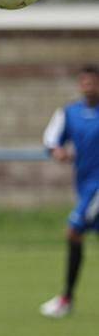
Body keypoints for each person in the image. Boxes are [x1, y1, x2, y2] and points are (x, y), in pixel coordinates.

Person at [40, 65, 99, 318]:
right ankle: (67, 298)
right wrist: (58, 152)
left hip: (97, 188)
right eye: (84, 82)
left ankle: (66, 299)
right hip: (84, 184)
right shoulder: (70, 113)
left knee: (74, 231)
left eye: (93, 82)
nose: (88, 86)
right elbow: (51, 140)